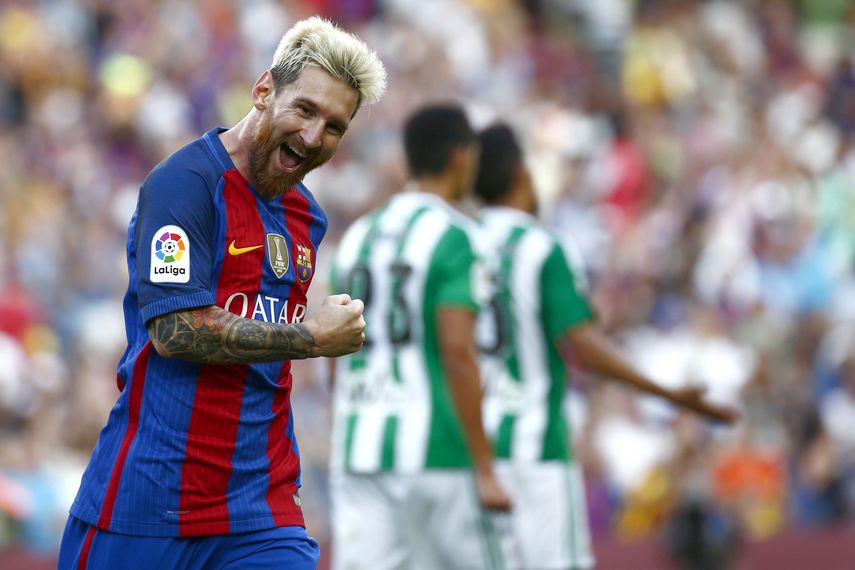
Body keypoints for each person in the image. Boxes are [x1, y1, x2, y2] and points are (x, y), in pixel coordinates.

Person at [58, 17, 386, 570]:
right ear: (263, 91)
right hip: (150, 501)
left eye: (334, 126)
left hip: (260, 511)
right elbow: (173, 331)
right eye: (304, 110)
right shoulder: (184, 184)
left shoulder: (307, 218)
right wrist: (310, 337)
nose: (313, 137)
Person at [472, 123, 737, 570]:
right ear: (522, 174)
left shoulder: (453, 244)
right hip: (535, 448)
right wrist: (667, 393)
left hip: (468, 446)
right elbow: (584, 346)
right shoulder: (541, 247)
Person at [328, 104, 513, 570]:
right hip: (435, 449)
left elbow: (335, 346)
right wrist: (485, 466)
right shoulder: (456, 237)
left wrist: (344, 421)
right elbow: (457, 352)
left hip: (359, 445)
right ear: (461, 156)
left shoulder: (358, 237)